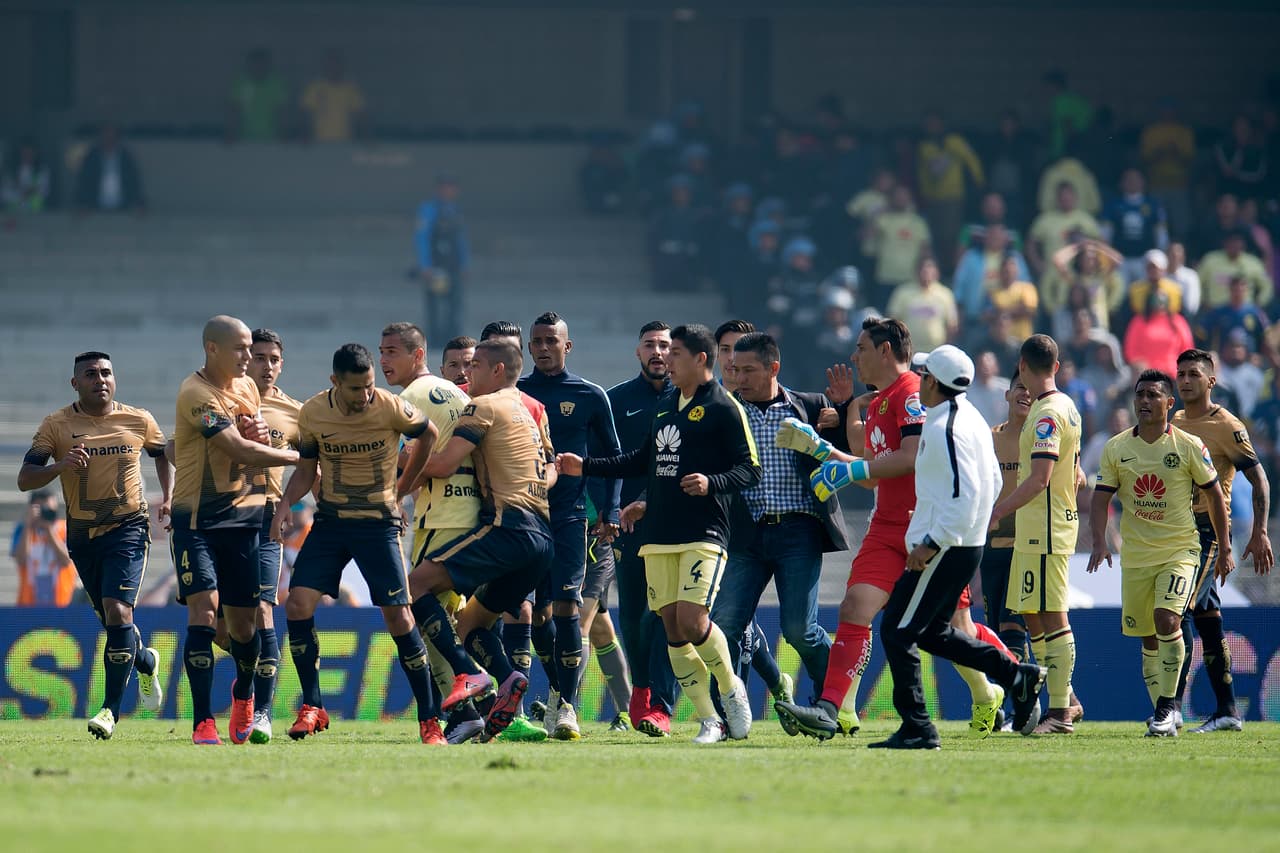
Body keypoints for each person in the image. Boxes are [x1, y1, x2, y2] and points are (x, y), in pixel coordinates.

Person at [559, 324, 761, 744]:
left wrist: (712, 482)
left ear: (700, 359)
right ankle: (710, 721)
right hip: (658, 534)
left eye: (677, 353)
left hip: (704, 531)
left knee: (692, 619)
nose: (667, 359)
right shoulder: (668, 404)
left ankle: (730, 691)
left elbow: (749, 469)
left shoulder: (725, 407)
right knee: (670, 627)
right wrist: (587, 466)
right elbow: (644, 459)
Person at [875, 346, 1047, 747]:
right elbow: (988, 481)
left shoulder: (943, 428)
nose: (918, 380)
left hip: (945, 544)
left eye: (922, 374)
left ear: (932, 381)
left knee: (897, 630)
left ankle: (918, 726)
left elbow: (966, 494)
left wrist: (933, 543)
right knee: (932, 633)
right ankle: (1014, 675)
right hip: (962, 543)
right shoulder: (968, 417)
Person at [272, 343, 444, 744]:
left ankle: (429, 718)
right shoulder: (313, 413)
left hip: (377, 523)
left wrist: (404, 488)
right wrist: (283, 508)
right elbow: (305, 470)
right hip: (331, 522)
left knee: (399, 618)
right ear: (335, 382)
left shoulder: (388, 406)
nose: (365, 395)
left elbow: (428, 434)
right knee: (297, 604)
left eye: (369, 386)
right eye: (356, 389)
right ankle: (313, 706)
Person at [772, 317, 927, 738]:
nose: (853, 356)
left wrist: (842, 463)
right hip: (886, 526)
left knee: (953, 629)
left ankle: (1006, 682)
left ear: (885, 350)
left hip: (925, 528)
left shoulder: (911, 394)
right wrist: (823, 449)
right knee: (854, 609)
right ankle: (829, 709)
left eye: (860, 348)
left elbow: (910, 457)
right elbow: (872, 473)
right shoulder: (878, 402)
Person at [400, 339, 558, 742]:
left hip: (508, 527)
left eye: (478, 367)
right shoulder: (525, 410)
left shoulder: (483, 406)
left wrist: (398, 464)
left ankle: (468, 674)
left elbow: (443, 463)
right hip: (542, 538)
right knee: (471, 622)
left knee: (414, 585)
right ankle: (507, 680)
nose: (468, 377)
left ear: (499, 371)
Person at [17, 352, 170, 738]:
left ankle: (110, 711)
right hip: (83, 536)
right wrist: (59, 466)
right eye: (90, 374)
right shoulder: (56, 426)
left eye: (106, 372)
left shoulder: (138, 419)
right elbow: (24, 478)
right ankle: (146, 662)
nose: (100, 379)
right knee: (112, 620)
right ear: (75, 384)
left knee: (118, 612)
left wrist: (168, 497)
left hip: (128, 528)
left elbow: (160, 453)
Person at [171, 317, 300, 745]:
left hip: (245, 522)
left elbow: (250, 432)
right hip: (197, 522)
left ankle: (244, 694)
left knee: (244, 631)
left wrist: (260, 429)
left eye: (253, 349)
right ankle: (202, 721)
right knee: (205, 611)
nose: (249, 357)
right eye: (242, 349)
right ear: (212, 349)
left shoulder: (244, 388)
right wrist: (299, 457)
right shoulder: (195, 393)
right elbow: (238, 447)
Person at [1088, 370, 1231, 737]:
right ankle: (1164, 712)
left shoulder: (1187, 446)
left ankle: (1168, 708)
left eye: (1153, 395)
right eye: (1140, 395)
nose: (1145, 401)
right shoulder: (1116, 447)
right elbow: (1101, 496)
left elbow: (1215, 494)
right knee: (1149, 638)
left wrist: (1225, 543)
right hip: (1136, 557)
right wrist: (1100, 540)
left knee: (1168, 619)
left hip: (1180, 550)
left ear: (1170, 403)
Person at [711, 332, 848, 714]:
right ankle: (725, 716)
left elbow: (853, 452)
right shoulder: (726, 409)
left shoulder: (812, 407)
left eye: (749, 370)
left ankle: (831, 699)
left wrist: (845, 408)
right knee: (724, 627)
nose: (739, 379)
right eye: (735, 370)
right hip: (746, 534)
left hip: (798, 531)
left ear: (774, 368)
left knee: (800, 631)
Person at [379, 322, 488, 744]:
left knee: (414, 605)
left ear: (417, 355)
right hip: (469, 513)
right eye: (382, 351)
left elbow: (409, 460)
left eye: (392, 352)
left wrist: (391, 495)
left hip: (443, 517)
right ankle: (468, 713)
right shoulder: (457, 394)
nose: (384, 360)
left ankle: (471, 681)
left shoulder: (408, 398)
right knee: (435, 622)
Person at [517, 312, 622, 740]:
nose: (543, 348)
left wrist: (611, 511)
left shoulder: (590, 396)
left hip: (569, 519)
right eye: (537, 341)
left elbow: (614, 459)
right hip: (525, 517)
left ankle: (566, 708)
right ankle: (556, 695)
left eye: (551, 341)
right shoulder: (516, 394)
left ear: (567, 345)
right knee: (535, 615)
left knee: (566, 610)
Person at [1171, 349, 1273, 732]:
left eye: (1193, 374)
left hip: (1208, 530)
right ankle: (1228, 711)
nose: (1184, 380)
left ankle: (1172, 708)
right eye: (1180, 374)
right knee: (1208, 621)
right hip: (1174, 530)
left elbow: (1258, 478)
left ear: (1210, 381)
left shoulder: (1227, 425)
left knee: (1175, 609)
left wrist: (1260, 531)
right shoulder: (1174, 421)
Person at [988, 335, 1084, 734]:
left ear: (1023, 368)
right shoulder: (1065, 408)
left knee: (1052, 615)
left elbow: (1040, 479)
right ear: (1056, 367)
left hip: (1045, 528)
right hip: (1037, 529)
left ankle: (1060, 713)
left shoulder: (1047, 415)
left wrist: (997, 511)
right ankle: (1069, 699)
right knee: (1033, 613)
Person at [606, 321, 681, 737]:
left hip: (676, 525)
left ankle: (661, 705)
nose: (658, 352)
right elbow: (604, 461)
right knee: (633, 616)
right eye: (650, 345)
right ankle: (641, 687)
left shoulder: (690, 400)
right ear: (637, 352)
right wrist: (608, 511)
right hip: (628, 527)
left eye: (666, 345)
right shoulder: (617, 400)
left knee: (665, 615)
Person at [239, 329, 304, 744]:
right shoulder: (222, 400)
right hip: (221, 518)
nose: (265, 365)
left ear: (281, 363)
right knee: (229, 627)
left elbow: (310, 463)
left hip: (265, 519)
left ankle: (260, 711)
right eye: (257, 357)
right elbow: (178, 448)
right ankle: (243, 685)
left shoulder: (295, 412)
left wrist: (285, 508)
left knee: (265, 609)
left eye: (272, 358)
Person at [982, 371, 1035, 701]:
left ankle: (1019, 705)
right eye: (1019, 388)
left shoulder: (1044, 438)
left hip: (1028, 546)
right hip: (991, 548)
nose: (1025, 395)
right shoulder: (989, 438)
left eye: (1031, 390)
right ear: (1007, 394)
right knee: (994, 630)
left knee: (1012, 624)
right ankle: (1024, 699)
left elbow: (1080, 477)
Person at [916, 112, 984, 272]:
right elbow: (928, 171)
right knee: (936, 236)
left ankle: (950, 269)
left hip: (954, 196)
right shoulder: (925, 146)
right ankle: (937, 268)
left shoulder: (956, 142)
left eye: (935, 123)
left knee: (951, 235)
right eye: (929, 123)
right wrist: (924, 192)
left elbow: (972, 160)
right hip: (933, 198)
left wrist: (980, 182)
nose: (932, 127)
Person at [414, 175, 470, 345]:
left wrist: (464, 264)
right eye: (445, 187)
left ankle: (453, 339)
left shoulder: (456, 211)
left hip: (452, 266)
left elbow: (461, 239)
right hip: (436, 266)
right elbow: (422, 237)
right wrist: (425, 265)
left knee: (454, 304)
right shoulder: (429, 210)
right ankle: (435, 340)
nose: (448, 191)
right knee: (435, 306)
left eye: (451, 187)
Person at [1101, 169, 1168, 285]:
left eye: (1135, 179)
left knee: (1144, 292)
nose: (1132, 182)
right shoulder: (1113, 205)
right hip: (1120, 259)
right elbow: (1105, 235)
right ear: (1121, 183)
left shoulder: (1153, 204)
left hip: (1146, 260)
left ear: (1143, 182)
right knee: (1120, 294)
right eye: (1128, 179)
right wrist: (1107, 258)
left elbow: (1161, 234)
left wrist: (1161, 254)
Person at [11, 492, 77, 607]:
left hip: (62, 604)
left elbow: (66, 561)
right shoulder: (22, 529)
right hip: (28, 605)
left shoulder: (65, 528)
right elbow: (21, 560)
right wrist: (28, 525)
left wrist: (49, 530)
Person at [886, 256, 958, 354]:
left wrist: (945, 350)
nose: (926, 271)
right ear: (916, 270)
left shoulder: (945, 294)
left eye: (929, 268)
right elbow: (892, 322)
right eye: (923, 268)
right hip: (908, 352)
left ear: (936, 271)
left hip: (936, 353)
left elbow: (952, 325)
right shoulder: (902, 292)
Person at [73, 124, 145, 214]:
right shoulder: (91, 159)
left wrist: (137, 204)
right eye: (105, 136)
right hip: (95, 209)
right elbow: (84, 182)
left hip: (123, 209)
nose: (109, 140)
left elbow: (133, 183)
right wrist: (82, 204)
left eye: (112, 137)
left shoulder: (126, 159)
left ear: (117, 139)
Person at [1197, 229, 1273, 312]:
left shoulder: (1253, 263)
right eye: (1231, 242)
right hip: (1214, 312)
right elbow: (1197, 282)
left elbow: (1267, 286)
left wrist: (1258, 304)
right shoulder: (1210, 260)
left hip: (1245, 313)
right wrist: (1203, 302)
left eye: (1237, 242)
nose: (1234, 245)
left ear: (1243, 244)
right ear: (1224, 243)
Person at [1123, 290, 1194, 377]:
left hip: (1173, 375)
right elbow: (1131, 350)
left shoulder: (1177, 321)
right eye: (1156, 300)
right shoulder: (1139, 321)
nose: (1160, 304)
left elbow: (1187, 348)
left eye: (1163, 300)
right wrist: (1140, 364)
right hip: (1147, 376)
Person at [300, 50, 366, 142]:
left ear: (341, 66)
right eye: (330, 64)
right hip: (318, 143)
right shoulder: (314, 88)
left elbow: (360, 118)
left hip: (345, 142)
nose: (333, 67)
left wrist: (365, 139)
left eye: (336, 64)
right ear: (325, 66)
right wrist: (306, 138)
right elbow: (306, 117)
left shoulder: (351, 89)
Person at [227, 48, 289, 142]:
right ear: (249, 65)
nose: (258, 67)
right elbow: (234, 110)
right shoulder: (240, 83)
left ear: (268, 65)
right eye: (255, 64)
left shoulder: (277, 84)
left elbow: (282, 112)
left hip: (273, 139)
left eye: (262, 64)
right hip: (244, 139)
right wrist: (231, 133)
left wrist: (283, 135)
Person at [2, 137, 51, 215]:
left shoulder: (41, 171)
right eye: (25, 152)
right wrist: (20, 193)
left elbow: (45, 191)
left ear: (36, 153)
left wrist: (31, 192)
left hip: (35, 215)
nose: (28, 155)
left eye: (30, 153)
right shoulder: (11, 171)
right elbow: (4, 193)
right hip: (14, 215)